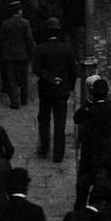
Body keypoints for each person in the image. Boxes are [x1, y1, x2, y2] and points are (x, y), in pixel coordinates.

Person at [73, 78, 111, 208]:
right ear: (107, 93)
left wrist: (87, 104)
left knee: (83, 187)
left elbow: (77, 118)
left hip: (90, 156)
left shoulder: (89, 110)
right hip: (110, 156)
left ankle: (80, 211)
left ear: (92, 93)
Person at [33, 18, 77, 163]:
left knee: (44, 119)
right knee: (60, 123)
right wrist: (68, 86)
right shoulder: (66, 48)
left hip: (45, 90)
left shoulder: (40, 48)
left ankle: (44, 148)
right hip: (61, 91)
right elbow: (72, 70)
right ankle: (58, 155)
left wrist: (50, 78)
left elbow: (37, 69)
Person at [0, 0, 36, 109]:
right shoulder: (25, 23)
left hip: (10, 55)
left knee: (12, 79)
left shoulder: (5, 23)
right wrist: (32, 52)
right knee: (24, 78)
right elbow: (29, 39)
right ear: (18, 11)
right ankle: (24, 99)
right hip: (23, 55)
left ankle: (14, 101)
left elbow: (2, 39)